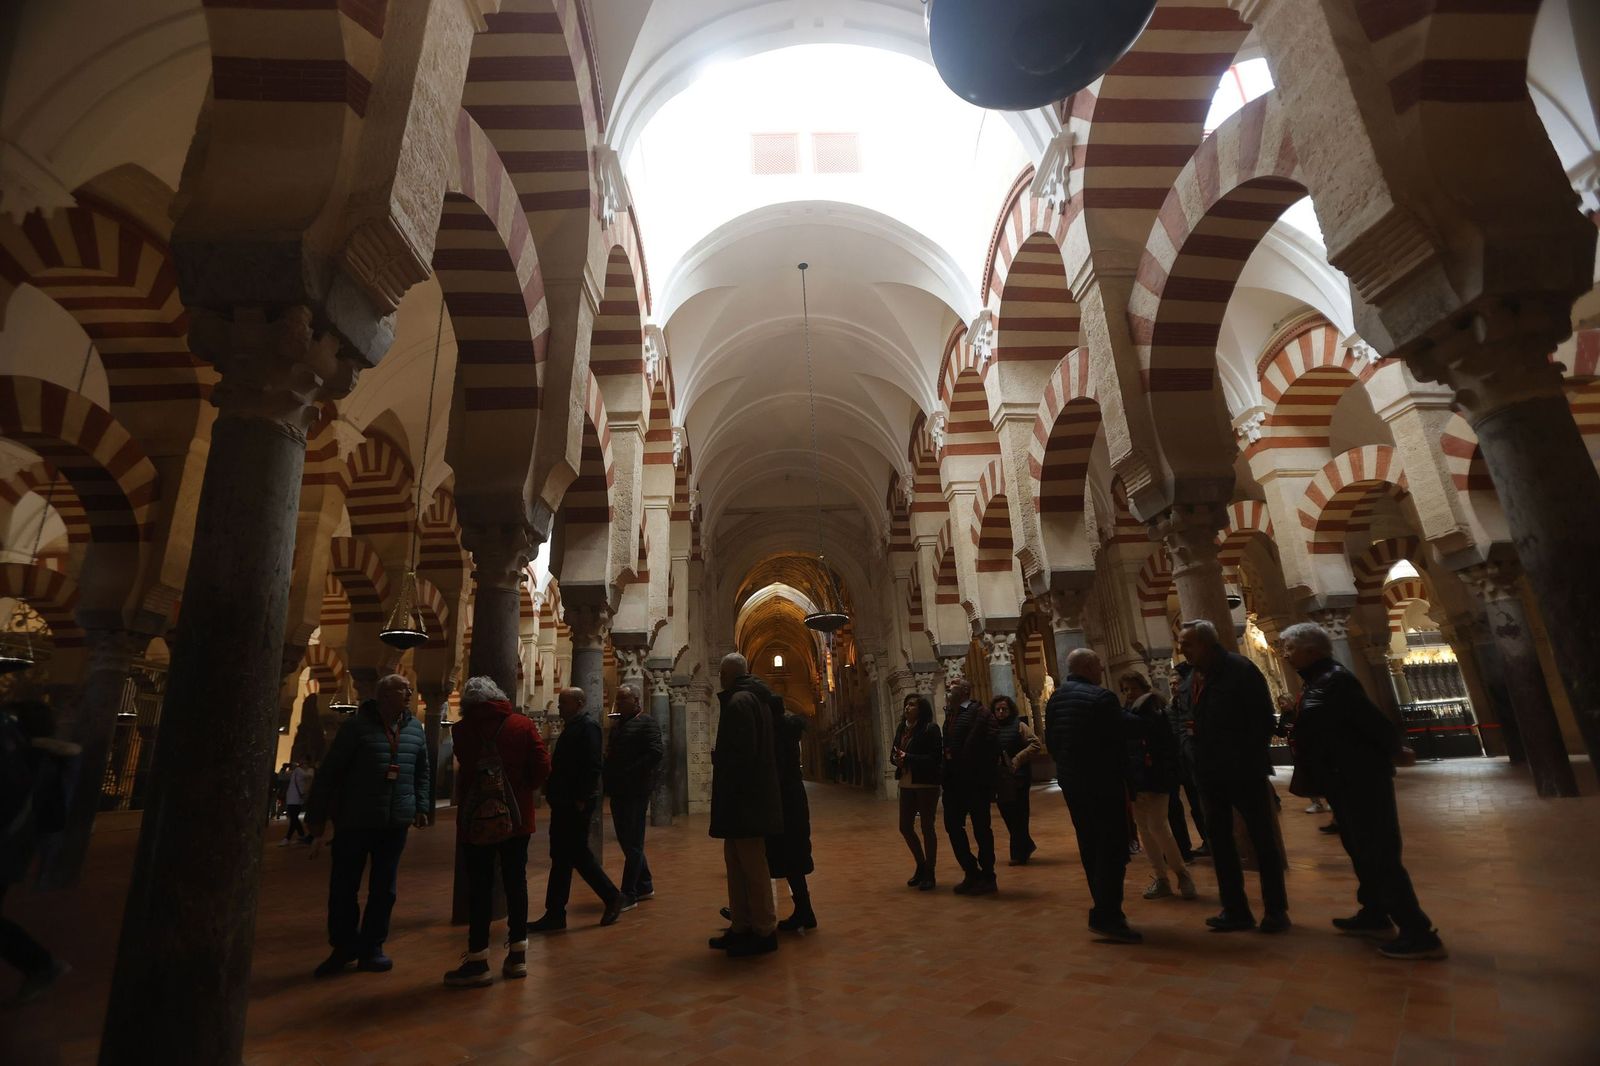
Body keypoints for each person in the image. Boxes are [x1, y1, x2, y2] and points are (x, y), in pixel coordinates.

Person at [1281, 623, 1447, 960]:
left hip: (1360, 779)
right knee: (1359, 848)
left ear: (1312, 649)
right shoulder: (1317, 681)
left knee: (1379, 853)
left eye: (1289, 647)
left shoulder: (1335, 681)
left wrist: (1395, 749)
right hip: (1342, 780)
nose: (1285, 654)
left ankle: (1418, 932)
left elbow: (1371, 720)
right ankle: (1374, 911)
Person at [305, 674, 432, 977]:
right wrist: (317, 817)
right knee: (344, 887)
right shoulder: (356, 727)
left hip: (394, 822)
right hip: (355, 819)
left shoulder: (414, 728)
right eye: (404, 691)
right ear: (384, 696)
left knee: (384, 889)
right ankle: (344, 945)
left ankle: (373, 946)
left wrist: (421, 806)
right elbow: (330, 773)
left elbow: (422, 771)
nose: (411, 694)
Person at [1177, 619, 1289, 934]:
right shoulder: (1191, 679)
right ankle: (1235, 909)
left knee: (1262, 840)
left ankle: (1276, 910)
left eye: (1187, 643)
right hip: (1208, 773)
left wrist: (1239, 754)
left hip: (1243, 770)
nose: (1182, 649)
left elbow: (1262, 721)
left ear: (1206, 643)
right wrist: (1190, 750)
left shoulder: (1240, 670)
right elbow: (1183, 718)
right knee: (1220, 844)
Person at [442, 675, 552, 988]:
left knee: (480, 887)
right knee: (516, 882)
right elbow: (543, 763)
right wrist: (524, 788)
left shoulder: (462, 731)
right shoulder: (522, 725)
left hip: (477, 818)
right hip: (516, 818)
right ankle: (517, 955)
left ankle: (478, 960)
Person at [1047, 649, 1140, 943]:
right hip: (1104, 785)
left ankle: (1103, 909)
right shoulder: (1103, 698)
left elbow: (1053, 742)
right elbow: (1119, 742)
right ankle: (1108, 915)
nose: (1102, 668)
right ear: (1088, 667)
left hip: (1073, 784)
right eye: (1099, 664)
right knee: (1112, 850)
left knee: (1090, 847)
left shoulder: (1056, 699)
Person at [530, 687, 624, 933]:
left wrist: (583, 797)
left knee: (577, 855)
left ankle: (612, 896)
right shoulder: (573, 726)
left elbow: (593, 764)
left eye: (564, 702)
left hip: (574, 803)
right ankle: (555, 914)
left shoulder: (587, 727)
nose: (559, 706)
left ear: (579, 703)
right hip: (563, 802)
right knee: (561, 857)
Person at [709, 652, 784, 957]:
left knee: (752, 867)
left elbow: (743, 754)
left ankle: (764, 930)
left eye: (721, 674)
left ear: (728, 675)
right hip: (745, 800)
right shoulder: (754, 699)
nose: (719, 679)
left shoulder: (740, 702)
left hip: (744, 801)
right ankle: (742, 925)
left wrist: (721, 761)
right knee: (738, 865)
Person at [1, 701, 77, 1003]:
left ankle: (41, 964)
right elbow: (54, 819)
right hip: (13, 851)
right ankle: (40, 965)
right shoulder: (45, 760)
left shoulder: (15, 755)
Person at [1119, 672, 1197, 902]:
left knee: (1158, 827)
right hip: (1137, 780)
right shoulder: (1131, 713)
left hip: (1155, 779)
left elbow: (1159, 745)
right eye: (1125, 689)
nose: (1129, 693)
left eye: (1132, 688)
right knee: (1145, 830)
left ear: (1143, 687)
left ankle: (1182, 874)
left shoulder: (1153, 712)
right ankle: (1162, 878)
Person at [603, 682, 664, 910]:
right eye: (618, 699)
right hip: (619, 790)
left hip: (636, 790)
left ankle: (629, 893)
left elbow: (656, 752)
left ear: (636, 701)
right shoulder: (620, 724)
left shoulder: (646, 722)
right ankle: (645, 885)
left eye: (622, 699)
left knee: (633, 842)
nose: (618, 703)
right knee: (628, 841)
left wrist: (631, 770)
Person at [941, 677, 998, 895]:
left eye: (952, 685)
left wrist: (977, 768)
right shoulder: (951, 714)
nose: (948, 687)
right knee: (953, 827)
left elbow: (992, 741)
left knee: (982, 829)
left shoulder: (979, 712)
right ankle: (970, 870)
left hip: (975, 782)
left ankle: (988, 874)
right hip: (954, 783)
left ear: (965, 690)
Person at [767, 696, 816, 933]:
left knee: (778, 858)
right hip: (793, 803)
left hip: (781, 804)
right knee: (793, 861)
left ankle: (756, 911)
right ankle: (804, 909)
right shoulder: (788, 733)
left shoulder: (774, 737)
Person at [891, 695, 942, 890]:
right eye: (906, 704)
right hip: (906, 783)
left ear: (921, 709)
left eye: (912, 705)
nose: (907, 708)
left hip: (926, 784)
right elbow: (894, 752)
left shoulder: (930, 729)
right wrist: (896, 759)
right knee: (905, 827)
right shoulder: (901, 728)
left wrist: (909, 758)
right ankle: (921, 865)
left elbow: (934, 758)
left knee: (927, 827)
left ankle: (930, 872)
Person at [990, 695, 1042, 866]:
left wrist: (1018, 759)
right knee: (1007, 813)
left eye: (1004, 709)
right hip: (1000, 778)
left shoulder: (1019, 726)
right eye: (997, 709)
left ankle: (1019, 853)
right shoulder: (992, 728)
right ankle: (1026, 846)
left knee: (1020, 814)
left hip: (1018, 777)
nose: (1001, 712)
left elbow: (1035, 744)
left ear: (1010, 709)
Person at [1167, 663, 1208, 858]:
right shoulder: (1171, 707)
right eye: (1171, 684)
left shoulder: (1191, 704)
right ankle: (1206, 841)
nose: (1174, 687)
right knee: (1195, 806)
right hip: (1182, 764)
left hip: (1194, 761)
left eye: (1177, 683)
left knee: (1203, 804)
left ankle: (1211, 841)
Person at [278, 760, 313, 846]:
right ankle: (301, 835)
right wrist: (284, 768)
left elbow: (308, 775)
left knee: (294, 818)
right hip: (294, 798)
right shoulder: (296, 772)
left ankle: (288, 838)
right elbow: (282, 777)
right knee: (294, 818)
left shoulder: (299, 771)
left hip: (295, 799)